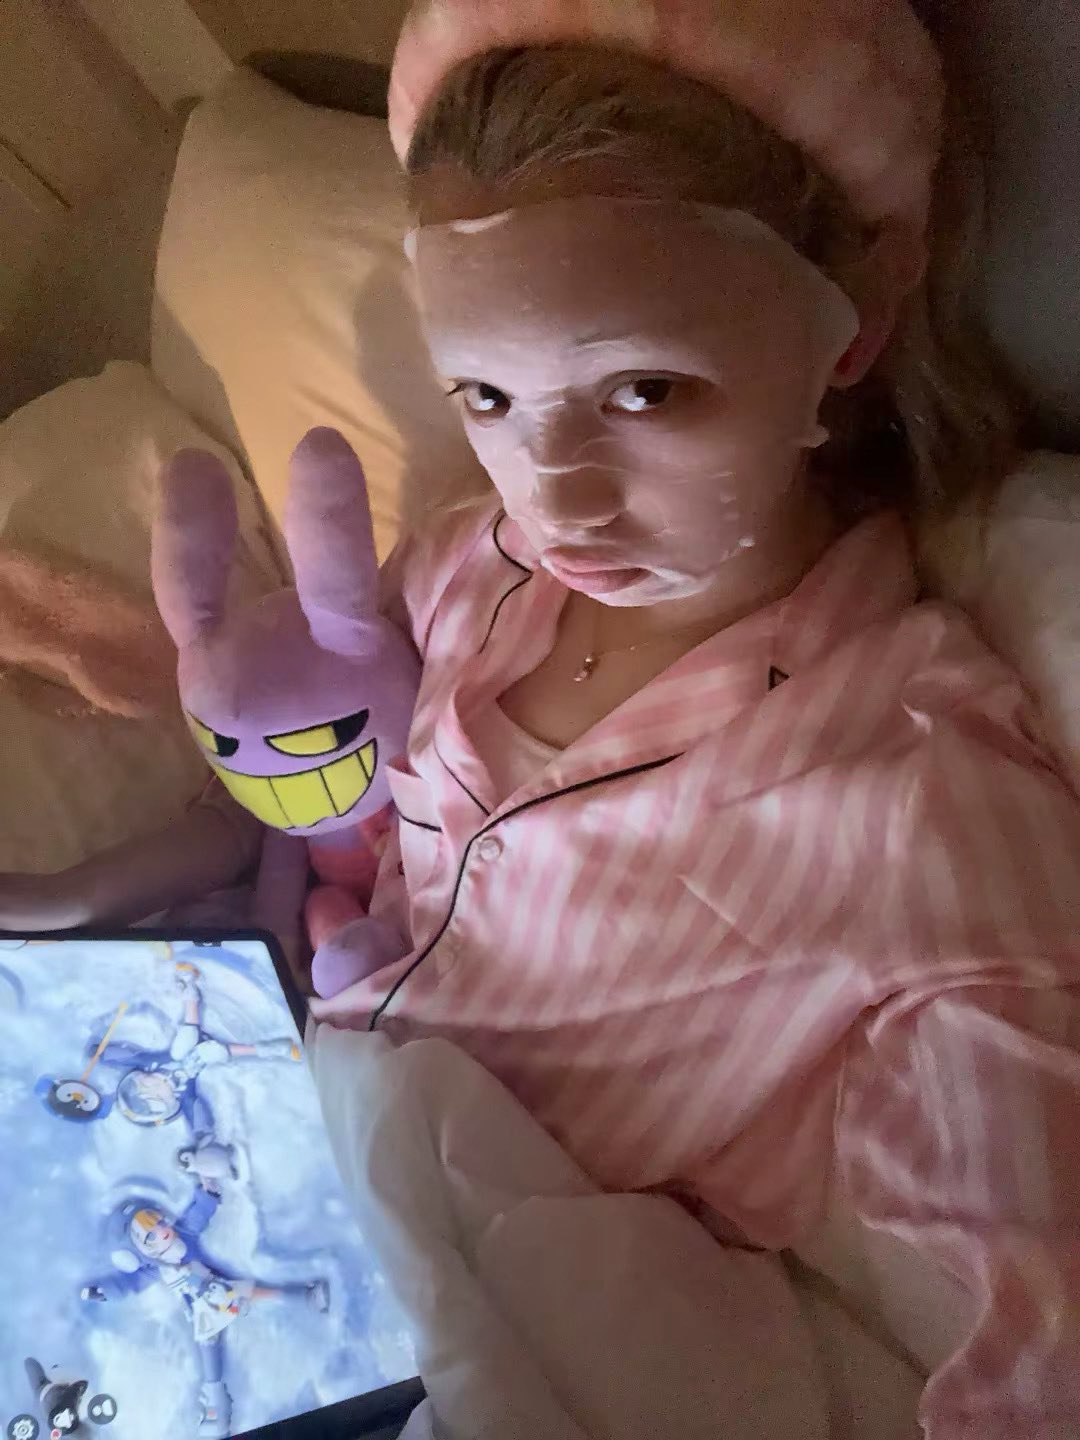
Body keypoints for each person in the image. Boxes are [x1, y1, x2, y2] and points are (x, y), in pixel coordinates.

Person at [4, 0, 1080, 1432]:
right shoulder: (470, 562)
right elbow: (328, 796)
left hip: (483, 1298)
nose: (556, 498)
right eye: (488, 394)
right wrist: (77, 903)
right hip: (244, 1143)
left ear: (859, 318)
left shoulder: (916, 782)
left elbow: (1041, 1320)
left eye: (645, 389)